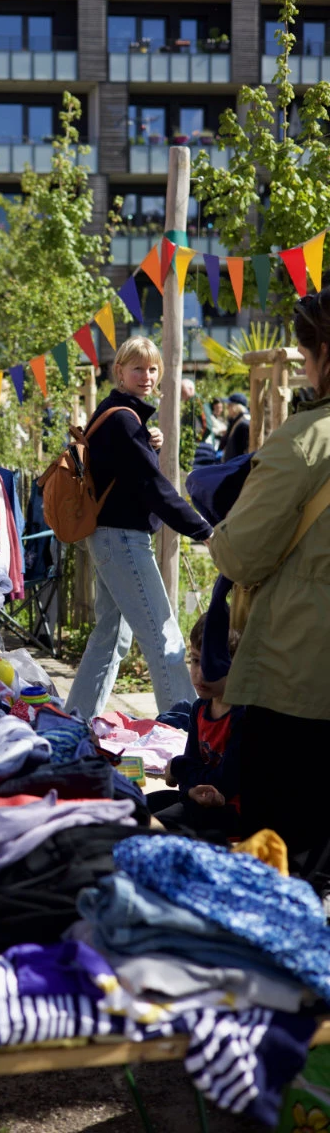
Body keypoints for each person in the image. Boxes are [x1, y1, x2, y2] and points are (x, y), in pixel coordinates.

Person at [208, 290, 330, 879]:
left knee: (277, 869)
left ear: (323, 353)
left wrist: (217, 523)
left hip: (297, 679)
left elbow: (241, 553)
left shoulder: (307, 440)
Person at [65, 337, 213, 721]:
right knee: (164, 637)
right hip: (123, 540)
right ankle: (185, 733)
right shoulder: (123, 420)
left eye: (152, 369)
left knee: (111, 637)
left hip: (108, 537)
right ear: (119, 372)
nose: (146, 376)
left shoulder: (117, 414)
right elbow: (154, 489)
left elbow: (123, 468)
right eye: (137, 368)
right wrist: (204, 531)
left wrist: (146, 441)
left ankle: (76, 721)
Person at [148, 612, 243, 841]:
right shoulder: (200, 709)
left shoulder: (243, 716)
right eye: (196, 660)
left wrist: (178, 767)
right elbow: (189, 771)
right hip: (198, 801)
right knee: (140, 805)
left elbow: (224, 783)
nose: (201, 673)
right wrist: (189, 787)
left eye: (211, 662)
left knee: (153, 826)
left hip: (234, 816)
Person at [220, 392, 250, 462]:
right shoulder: (237, 420)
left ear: (236, 407)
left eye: (229, 405)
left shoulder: (244, 424)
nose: (227, 407)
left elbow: (243, 453)